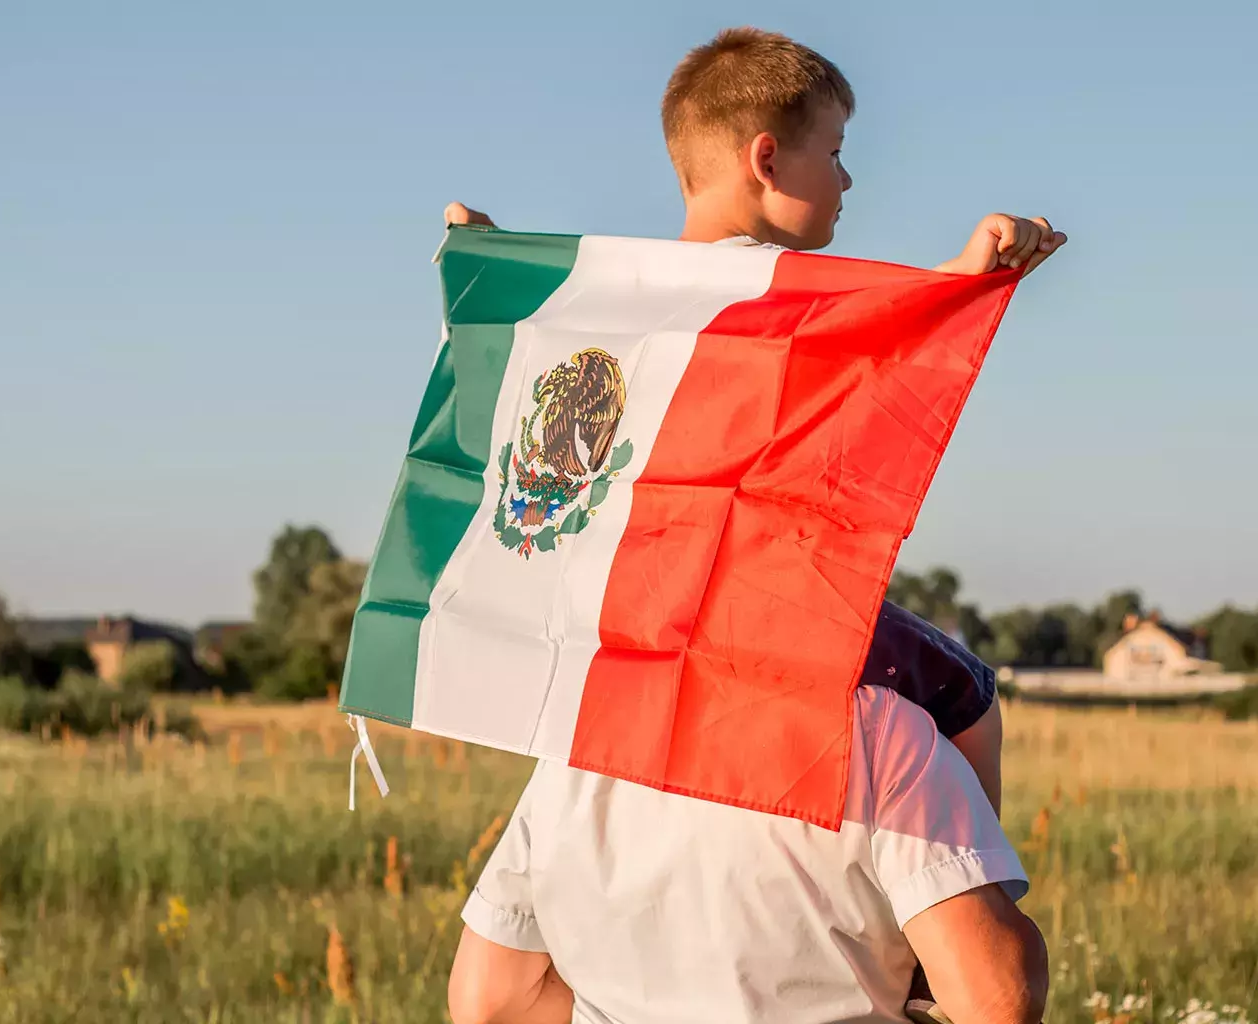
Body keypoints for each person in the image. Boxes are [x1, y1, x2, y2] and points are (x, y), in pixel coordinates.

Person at [444, 27, 1065, 1024]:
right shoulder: (780, 305)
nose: (850, 174)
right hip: (760, 606)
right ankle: (923, 942)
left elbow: (538, 380)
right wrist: (969, 274)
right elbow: (881, 360)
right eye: (833, 147)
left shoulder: (626, 296)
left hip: (636, 619)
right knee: (969, 696)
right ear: (766, 158)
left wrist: (485, 264)